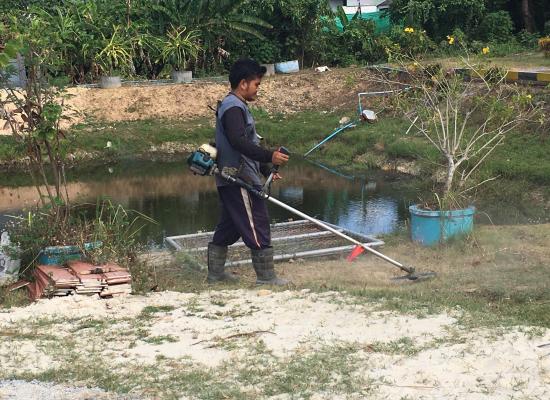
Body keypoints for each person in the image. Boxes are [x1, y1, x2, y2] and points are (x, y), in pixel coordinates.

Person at [208, 58, 290, 285]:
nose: (257, 89)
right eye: (256, 84)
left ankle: (215, 274)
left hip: (235, 176)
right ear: (243, 83)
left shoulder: (234, 105)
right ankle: (266, 277)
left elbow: (247, 143)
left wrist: (265, 168)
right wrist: (269, 156)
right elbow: (238, 142)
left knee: (230, 226)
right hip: (238, 178)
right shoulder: (233, 107)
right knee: (257, 222)